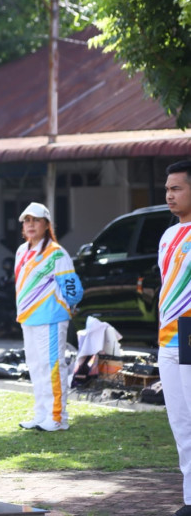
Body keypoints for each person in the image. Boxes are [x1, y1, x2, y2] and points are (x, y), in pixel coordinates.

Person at [14, 202, 83, 432]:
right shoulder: (22, 251)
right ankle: (41, 414)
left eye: (36, 220)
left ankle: (57, 417)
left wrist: (67, 307)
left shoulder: (56, 253)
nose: (31, 224)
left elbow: (73, 288)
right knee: (35, 367)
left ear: (46, 224)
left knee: (52, 367)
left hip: (51, 319)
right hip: (28, 319)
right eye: (27, 220)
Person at [158, 161, 191, 516]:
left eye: (177, 188)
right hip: (167, 338)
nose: (169, 194)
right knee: (180, 422)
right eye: (167, 189)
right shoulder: (168, 235)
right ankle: (189, 498)